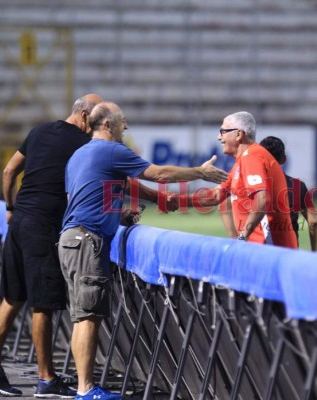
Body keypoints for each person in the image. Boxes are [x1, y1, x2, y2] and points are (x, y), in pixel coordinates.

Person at [58, 101, 227, 400]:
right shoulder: (112, 150)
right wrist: (198, 172)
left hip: (72, 239)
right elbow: (159, 174)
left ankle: (85, 386)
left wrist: (117, 215)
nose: (127, 127)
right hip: (87, 241)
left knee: (83, 315)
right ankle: (85, 390)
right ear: (108, 125)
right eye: (123, 121)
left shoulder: (80, 155)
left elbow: (84, 194)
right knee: (87, 317)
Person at [0, 94, 103, 398]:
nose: (99, 127)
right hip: (44, 225)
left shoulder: (39, 131)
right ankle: (46, 379)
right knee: (43, 303)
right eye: (97, 121)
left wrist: (10, 207)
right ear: (85, 117)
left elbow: (9, 172)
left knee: (12, 296)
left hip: (20, 221)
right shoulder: (85, 145)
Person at [171, 111, 298, 248]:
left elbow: (262, 200)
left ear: (238, 134)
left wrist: (242, 237)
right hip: (264, 249)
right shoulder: (243, 161)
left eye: (223, 131)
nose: (219, 137)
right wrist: (176, 200)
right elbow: (214, 196)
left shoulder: (252, 156)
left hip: (270, 250)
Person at [259, 136, 317, 251]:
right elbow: (314, 222)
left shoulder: (251, 186)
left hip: (260, 251)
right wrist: (314, 251)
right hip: (289, 251)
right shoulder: (297, 186)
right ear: (284, 160)